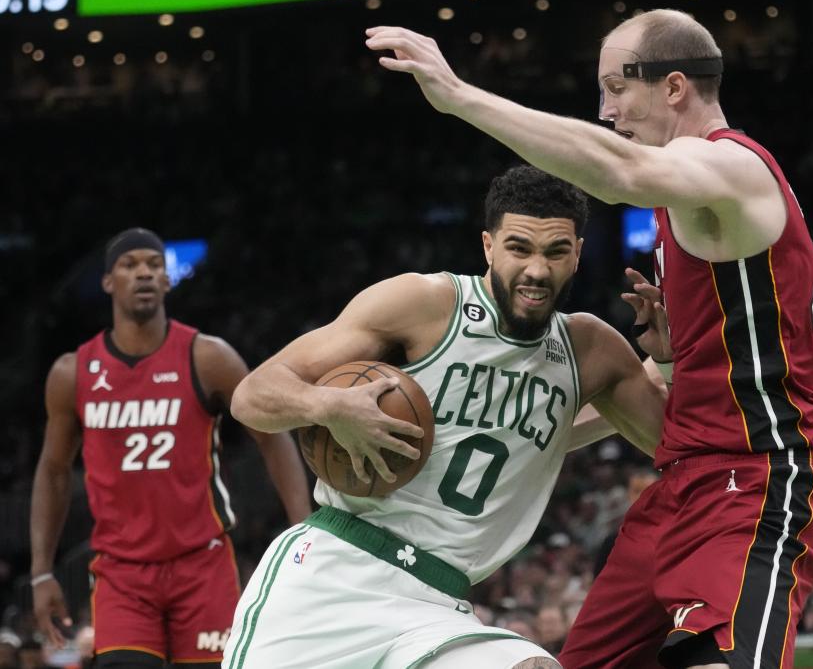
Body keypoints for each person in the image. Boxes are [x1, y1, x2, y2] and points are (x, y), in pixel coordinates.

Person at [366, 7, 813, 669]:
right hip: (680, 484)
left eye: (616, 88)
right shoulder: (692, 212)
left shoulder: (734, 169)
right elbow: (649, 387)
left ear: (673, 87)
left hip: (755, 485)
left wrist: (461, 97)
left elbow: (620, 173)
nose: (607, 110)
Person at [221, 167, 666, 669]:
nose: (537, 270)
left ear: (578, 254)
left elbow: (675, 443)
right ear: (488, 246)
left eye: (555, 252)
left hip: (439, 604)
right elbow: (252, 394)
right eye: (520, 248)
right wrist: (331, 407)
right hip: (334, 575)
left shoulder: (591, 350)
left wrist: (672, 359)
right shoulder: (426, 305)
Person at [30, 228, 312, 667]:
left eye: (153, 265)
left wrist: (304, 535)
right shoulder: (73, 373)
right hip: (121, 574)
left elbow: (272, 437)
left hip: (202, 567)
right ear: (108, 281)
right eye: (130, 265)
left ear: (167, 280)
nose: (143, 272)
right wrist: (42, 572)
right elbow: (52, 471)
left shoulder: (208, 357)